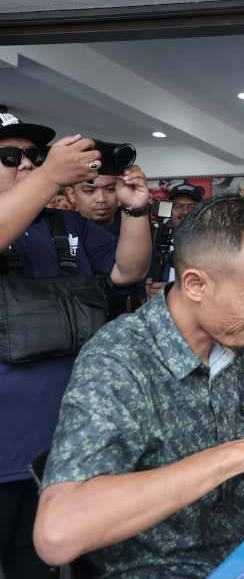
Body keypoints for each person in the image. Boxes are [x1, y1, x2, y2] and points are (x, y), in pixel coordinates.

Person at [33, 197, 244, 577]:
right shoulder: (119, 361)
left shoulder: (236, 339)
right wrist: (238, 455)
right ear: (196, 284)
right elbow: (57, 533)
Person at [0, 113, 152, 578]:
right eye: (10, 156)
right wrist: (49, 175)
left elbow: (128, 272)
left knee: (41, 566)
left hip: (67, 444)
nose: (26, 164)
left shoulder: (66, 225)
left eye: (33, 156)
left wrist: (136, 210)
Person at [70, 174, 145, 316]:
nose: (101, 199)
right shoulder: (62, 229)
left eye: (110, 189)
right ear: (71, 193)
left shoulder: (137, 232)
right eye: (89, 191)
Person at [146, 182, 204, 299]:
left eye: (191, 206)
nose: (185, 212)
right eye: (178, 206)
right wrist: (148, 289)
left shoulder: (211, 244)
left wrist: (172, 290)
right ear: (170, 210)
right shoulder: (156, 239)